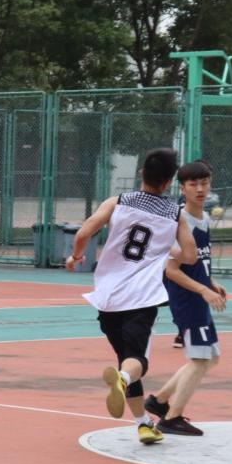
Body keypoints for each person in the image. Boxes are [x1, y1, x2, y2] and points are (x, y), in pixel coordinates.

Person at [68, 148, 197, 446]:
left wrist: (75, 256)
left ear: (142, 173)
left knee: (125, 360)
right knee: (137, 362)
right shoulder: (174, 214)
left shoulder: (117, 202)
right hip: (141, 298)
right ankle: (122, 380)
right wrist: (167, 249)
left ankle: (143, 424)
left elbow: (84, 233)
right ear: (168, 182)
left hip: (107, 297)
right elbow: (189, 256)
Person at [147, 160, 225, 437]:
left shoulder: (202, 217)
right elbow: (171, 271)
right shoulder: (179, 222)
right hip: (187, 300)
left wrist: (210, 281)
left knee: (209, 357)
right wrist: (202, 290)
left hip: (199, 297)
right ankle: (171, 418)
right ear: (183, 188)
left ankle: (159, 401)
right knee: (200, 360)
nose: (200, 189)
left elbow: (198, 260)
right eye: (193, 184)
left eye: (204, 183)